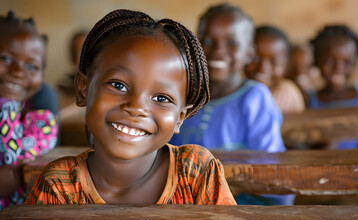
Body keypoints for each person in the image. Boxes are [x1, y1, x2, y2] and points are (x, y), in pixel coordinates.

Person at [25, 9, 236, 205]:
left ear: (180, 117)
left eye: (161, 98)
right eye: (119, 85)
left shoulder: (196, 173)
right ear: (83, 89)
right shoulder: (60, 185)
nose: (136, 107)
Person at [170, 3, 294, 205]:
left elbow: (271, 171)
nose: (218, 50)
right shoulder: (184, 95)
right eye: (208, 40)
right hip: (183, 207)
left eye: (232, 43)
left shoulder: (254, 98)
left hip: (245, 208)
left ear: (250, 53)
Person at [0, 11, 58, 209]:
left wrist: (16, 176)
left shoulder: (40, 122)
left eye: (31, 66)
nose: (18, 72)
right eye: (6, 59)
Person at [308, 25, 358, 149]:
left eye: (347, 62)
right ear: (316, 61)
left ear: (355, 62)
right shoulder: (308, 100)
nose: (338, 67)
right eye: (330, 61)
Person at [245, 25, 305, 113]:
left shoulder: (287, 93)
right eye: (255, 58)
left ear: (287, 65)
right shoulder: (237, 90)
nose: (262, 68)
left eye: (273, 62)